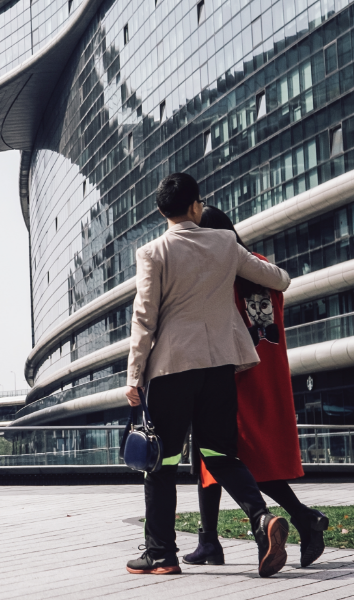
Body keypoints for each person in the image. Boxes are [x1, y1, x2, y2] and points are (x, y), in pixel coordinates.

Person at [124, 173, 292, 577]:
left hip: (171, 369)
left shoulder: (153, 252)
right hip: (219, 368)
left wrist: (134, 377)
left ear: (162, 211)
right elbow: (279, 279)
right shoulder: (225, 243)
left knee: (161, 463)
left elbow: (144, 318)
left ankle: (161, 554)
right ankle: (262, 520)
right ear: (196, 206)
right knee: (220, 455)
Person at [182, 206, 329, 568]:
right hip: (270, 371)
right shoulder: (260, 266)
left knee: (231, 457)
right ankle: (209, 542)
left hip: (235, 373)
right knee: (214, 456)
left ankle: (301, 517)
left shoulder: (223, 270)